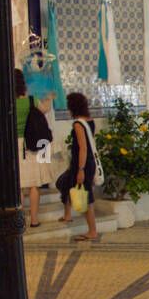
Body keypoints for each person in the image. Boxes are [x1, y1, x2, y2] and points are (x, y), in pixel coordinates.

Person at [15, 68, 56, 229]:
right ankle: (33, 220)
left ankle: (19, 220)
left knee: (18, 186)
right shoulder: (31, 101)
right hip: (31, 144)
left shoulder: (7, 103)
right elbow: (45, 109)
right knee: (33, 185)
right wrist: (49, 93)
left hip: (14, 146)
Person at [55, 91, 98, 242]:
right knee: (64, 183)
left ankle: (92, 231)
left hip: (82, 164)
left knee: (86, 198)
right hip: (84, 163)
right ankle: (67, 214)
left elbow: (83, 148)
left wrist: (80, 169)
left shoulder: (78, 124)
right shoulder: (90, 121)